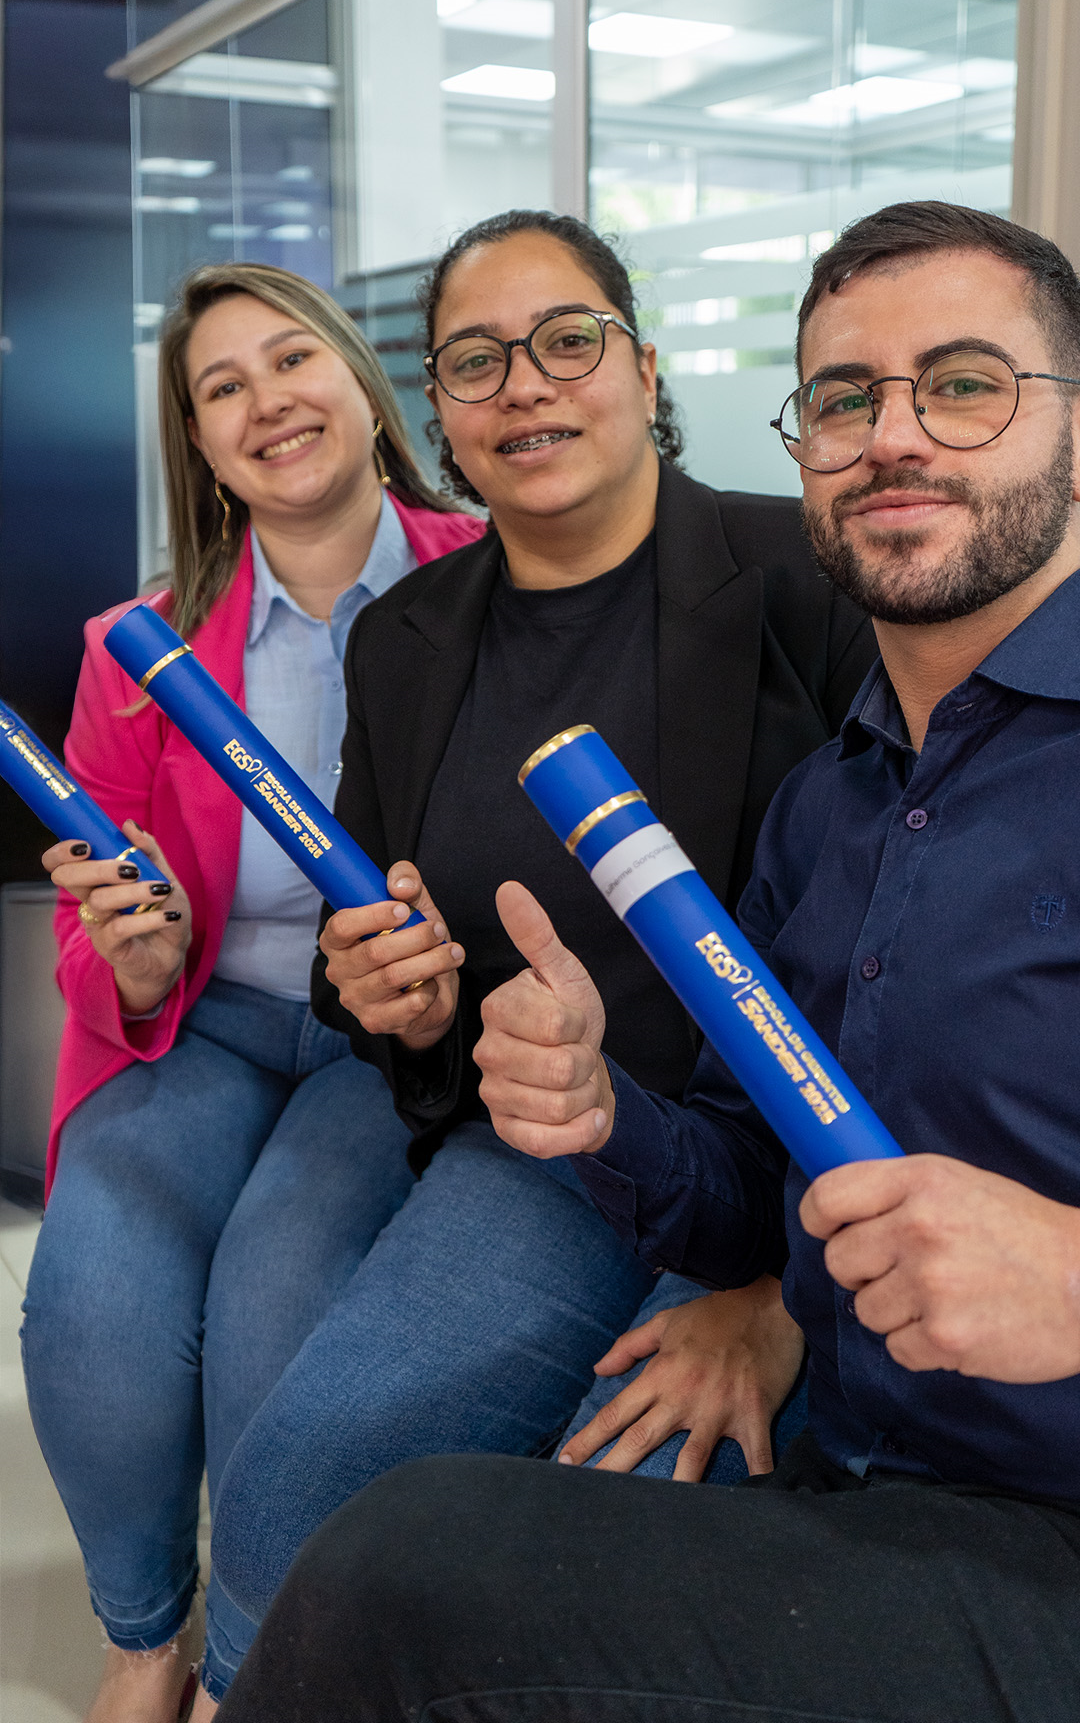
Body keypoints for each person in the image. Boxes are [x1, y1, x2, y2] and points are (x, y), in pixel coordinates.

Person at [217, 201, 1080, 1723]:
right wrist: (601, 1111)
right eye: (843, 398)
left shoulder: (784, 604)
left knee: (396, 1571)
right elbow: (759, 1165)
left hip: (1028, 1531)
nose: (894, 436)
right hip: (857, 1475)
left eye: (964, 383)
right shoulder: (836, 805)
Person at [20, 262, 483, 1722]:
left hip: (388, 1038)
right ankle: (142, 1638)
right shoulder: (136, 646)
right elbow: (92, 923)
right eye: (223, 387)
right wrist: (135, 954)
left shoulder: (493, 577)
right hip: (207, 1022)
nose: (267, 401)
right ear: (202, 445)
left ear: (360, 381)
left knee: (277, 1296)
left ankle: (249, 1661)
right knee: (93, 1289)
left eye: (292, 361)